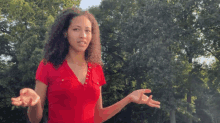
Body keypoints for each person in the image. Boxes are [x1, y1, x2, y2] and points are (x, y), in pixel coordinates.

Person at [11, 7, 160, 123]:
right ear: (65, 33)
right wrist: (35, 103)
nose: (83, 35)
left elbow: (98, 117)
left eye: (88, 31)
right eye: (76, 29)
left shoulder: (96, 68)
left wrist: (128, 98)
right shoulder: (47, 65)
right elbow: (35, 119)